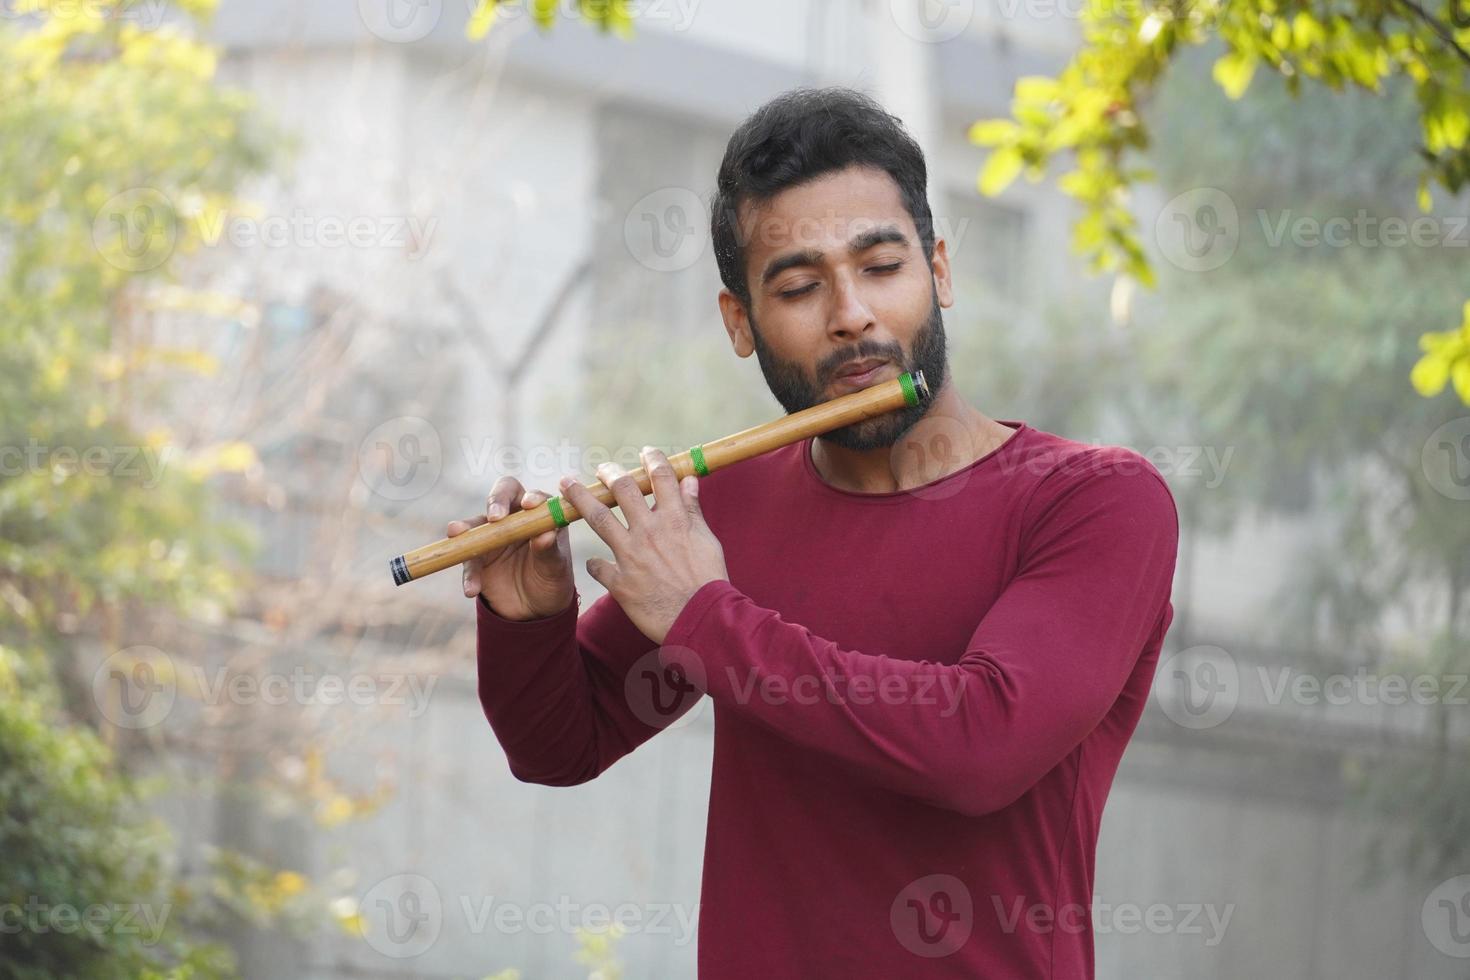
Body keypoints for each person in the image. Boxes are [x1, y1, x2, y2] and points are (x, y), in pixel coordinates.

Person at [449, 86, 1179, 979]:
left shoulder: (1096, 502)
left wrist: (706, 616)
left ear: (939, 271)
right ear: (740, 324)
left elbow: (982, 750)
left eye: (882, 267)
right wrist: (529, 619)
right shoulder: (727, 513)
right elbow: (561, 744)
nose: (851, 315)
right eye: (798, 286)